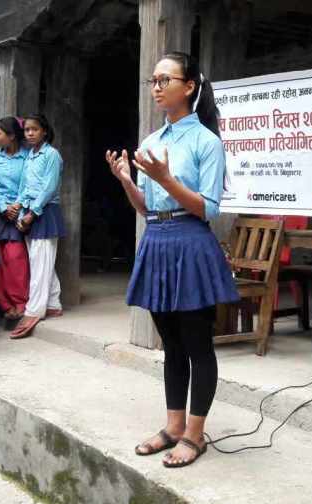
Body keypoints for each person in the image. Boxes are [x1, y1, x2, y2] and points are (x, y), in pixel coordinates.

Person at [106, 52, 238, 468]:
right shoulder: (150, 142)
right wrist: (129, 182)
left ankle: (195, 435)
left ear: (190, 86)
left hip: (190, 242)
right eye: (154, 80)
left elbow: (207, 208)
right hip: (158, 240)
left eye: (166, 79)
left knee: (198, 344)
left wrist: (167, 180)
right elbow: (147, 208)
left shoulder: (207, 142)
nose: (158, 87)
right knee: (172, 345)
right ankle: (173, 426)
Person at [10, 114, 65, 339]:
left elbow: (49, 187)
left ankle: (34, 311)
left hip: (44, 211)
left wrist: (33, 213)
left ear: (44, 131)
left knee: (40, 263)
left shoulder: (51, 154)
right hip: (29, 212)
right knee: (41, 260)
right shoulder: (30, 156)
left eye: (34, 129)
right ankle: (53, 302)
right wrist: (20, 207)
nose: (30, 133)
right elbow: (25, 186)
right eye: (27, 130)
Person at [0, 116, 30, 320]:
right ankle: (5, 306)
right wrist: (3, 206)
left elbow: (30, 183)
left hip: (20, 212)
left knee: (16, 259)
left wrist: (18, 205)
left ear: (12, 136)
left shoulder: (28, 156)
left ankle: (20, 302)